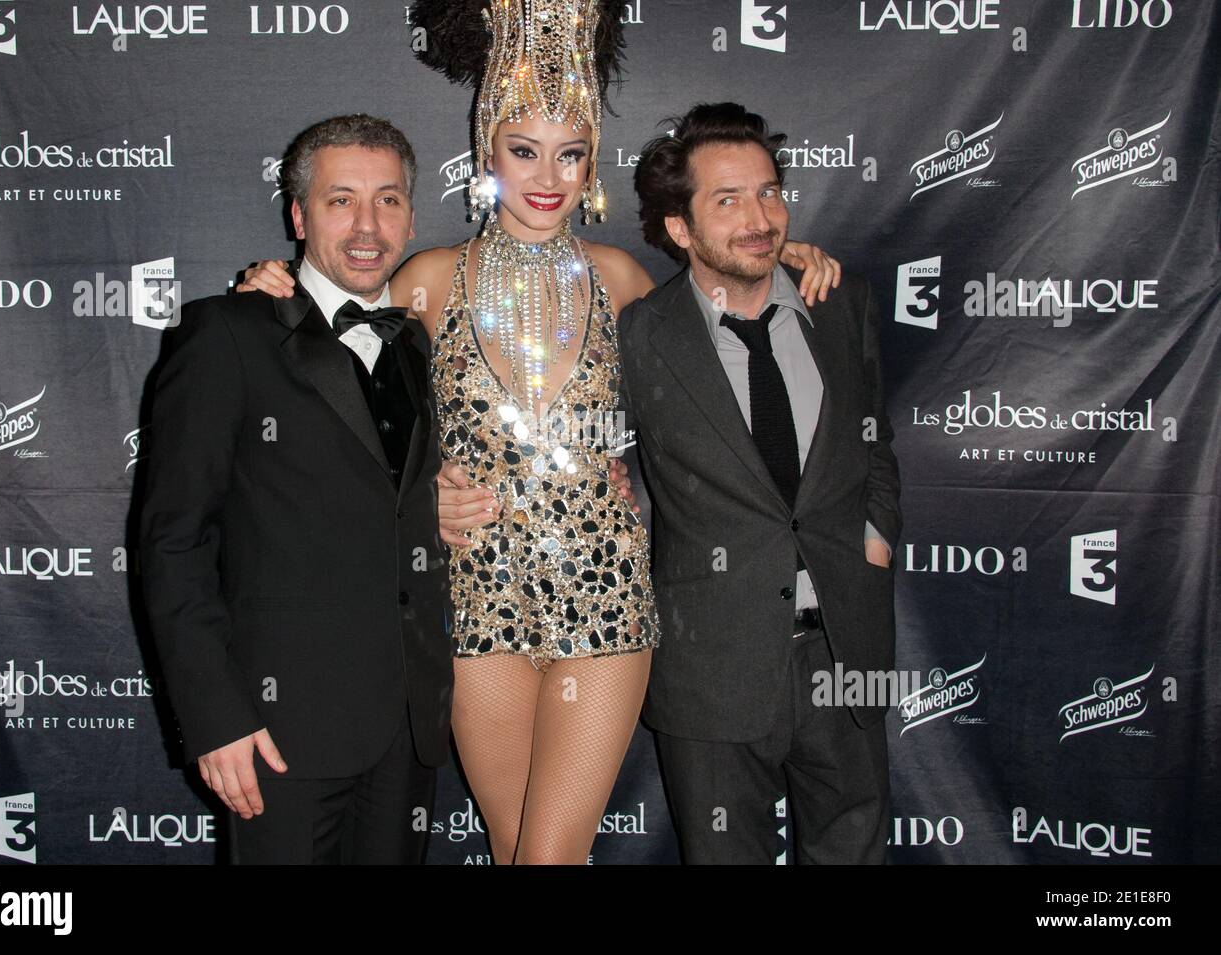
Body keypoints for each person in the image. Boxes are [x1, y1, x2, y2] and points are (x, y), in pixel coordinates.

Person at [239, 1, 841, 865]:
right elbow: (337, 398)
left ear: (593, 160)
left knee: (551, 854)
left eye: (571, 153)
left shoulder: (622, 276)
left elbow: (720, 302)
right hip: (475, 595)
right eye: (525, 151)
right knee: (518, 843)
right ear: (489, 152)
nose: (547, 176)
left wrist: (781, 253)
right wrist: (282, 291)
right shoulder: (427, 280)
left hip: (605, 595)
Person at [139, 114, 457, 864]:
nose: (367, 224)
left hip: (406, 723)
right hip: (276, 731)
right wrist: (214, 717)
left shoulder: (412, 342)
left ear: (412, 214)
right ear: (298, 215)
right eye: (340, 200)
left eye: (387, 200)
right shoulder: (227, 334)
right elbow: (173, 539)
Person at [622, 101, 901, 864]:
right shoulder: (639, 334)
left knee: (856, 851)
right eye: (729, 199)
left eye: (769, 192)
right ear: (679, 229)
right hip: (711, 664)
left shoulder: (841, 302)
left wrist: (875, 544)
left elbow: (874, 442)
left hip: (847, 651)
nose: (760, 216)